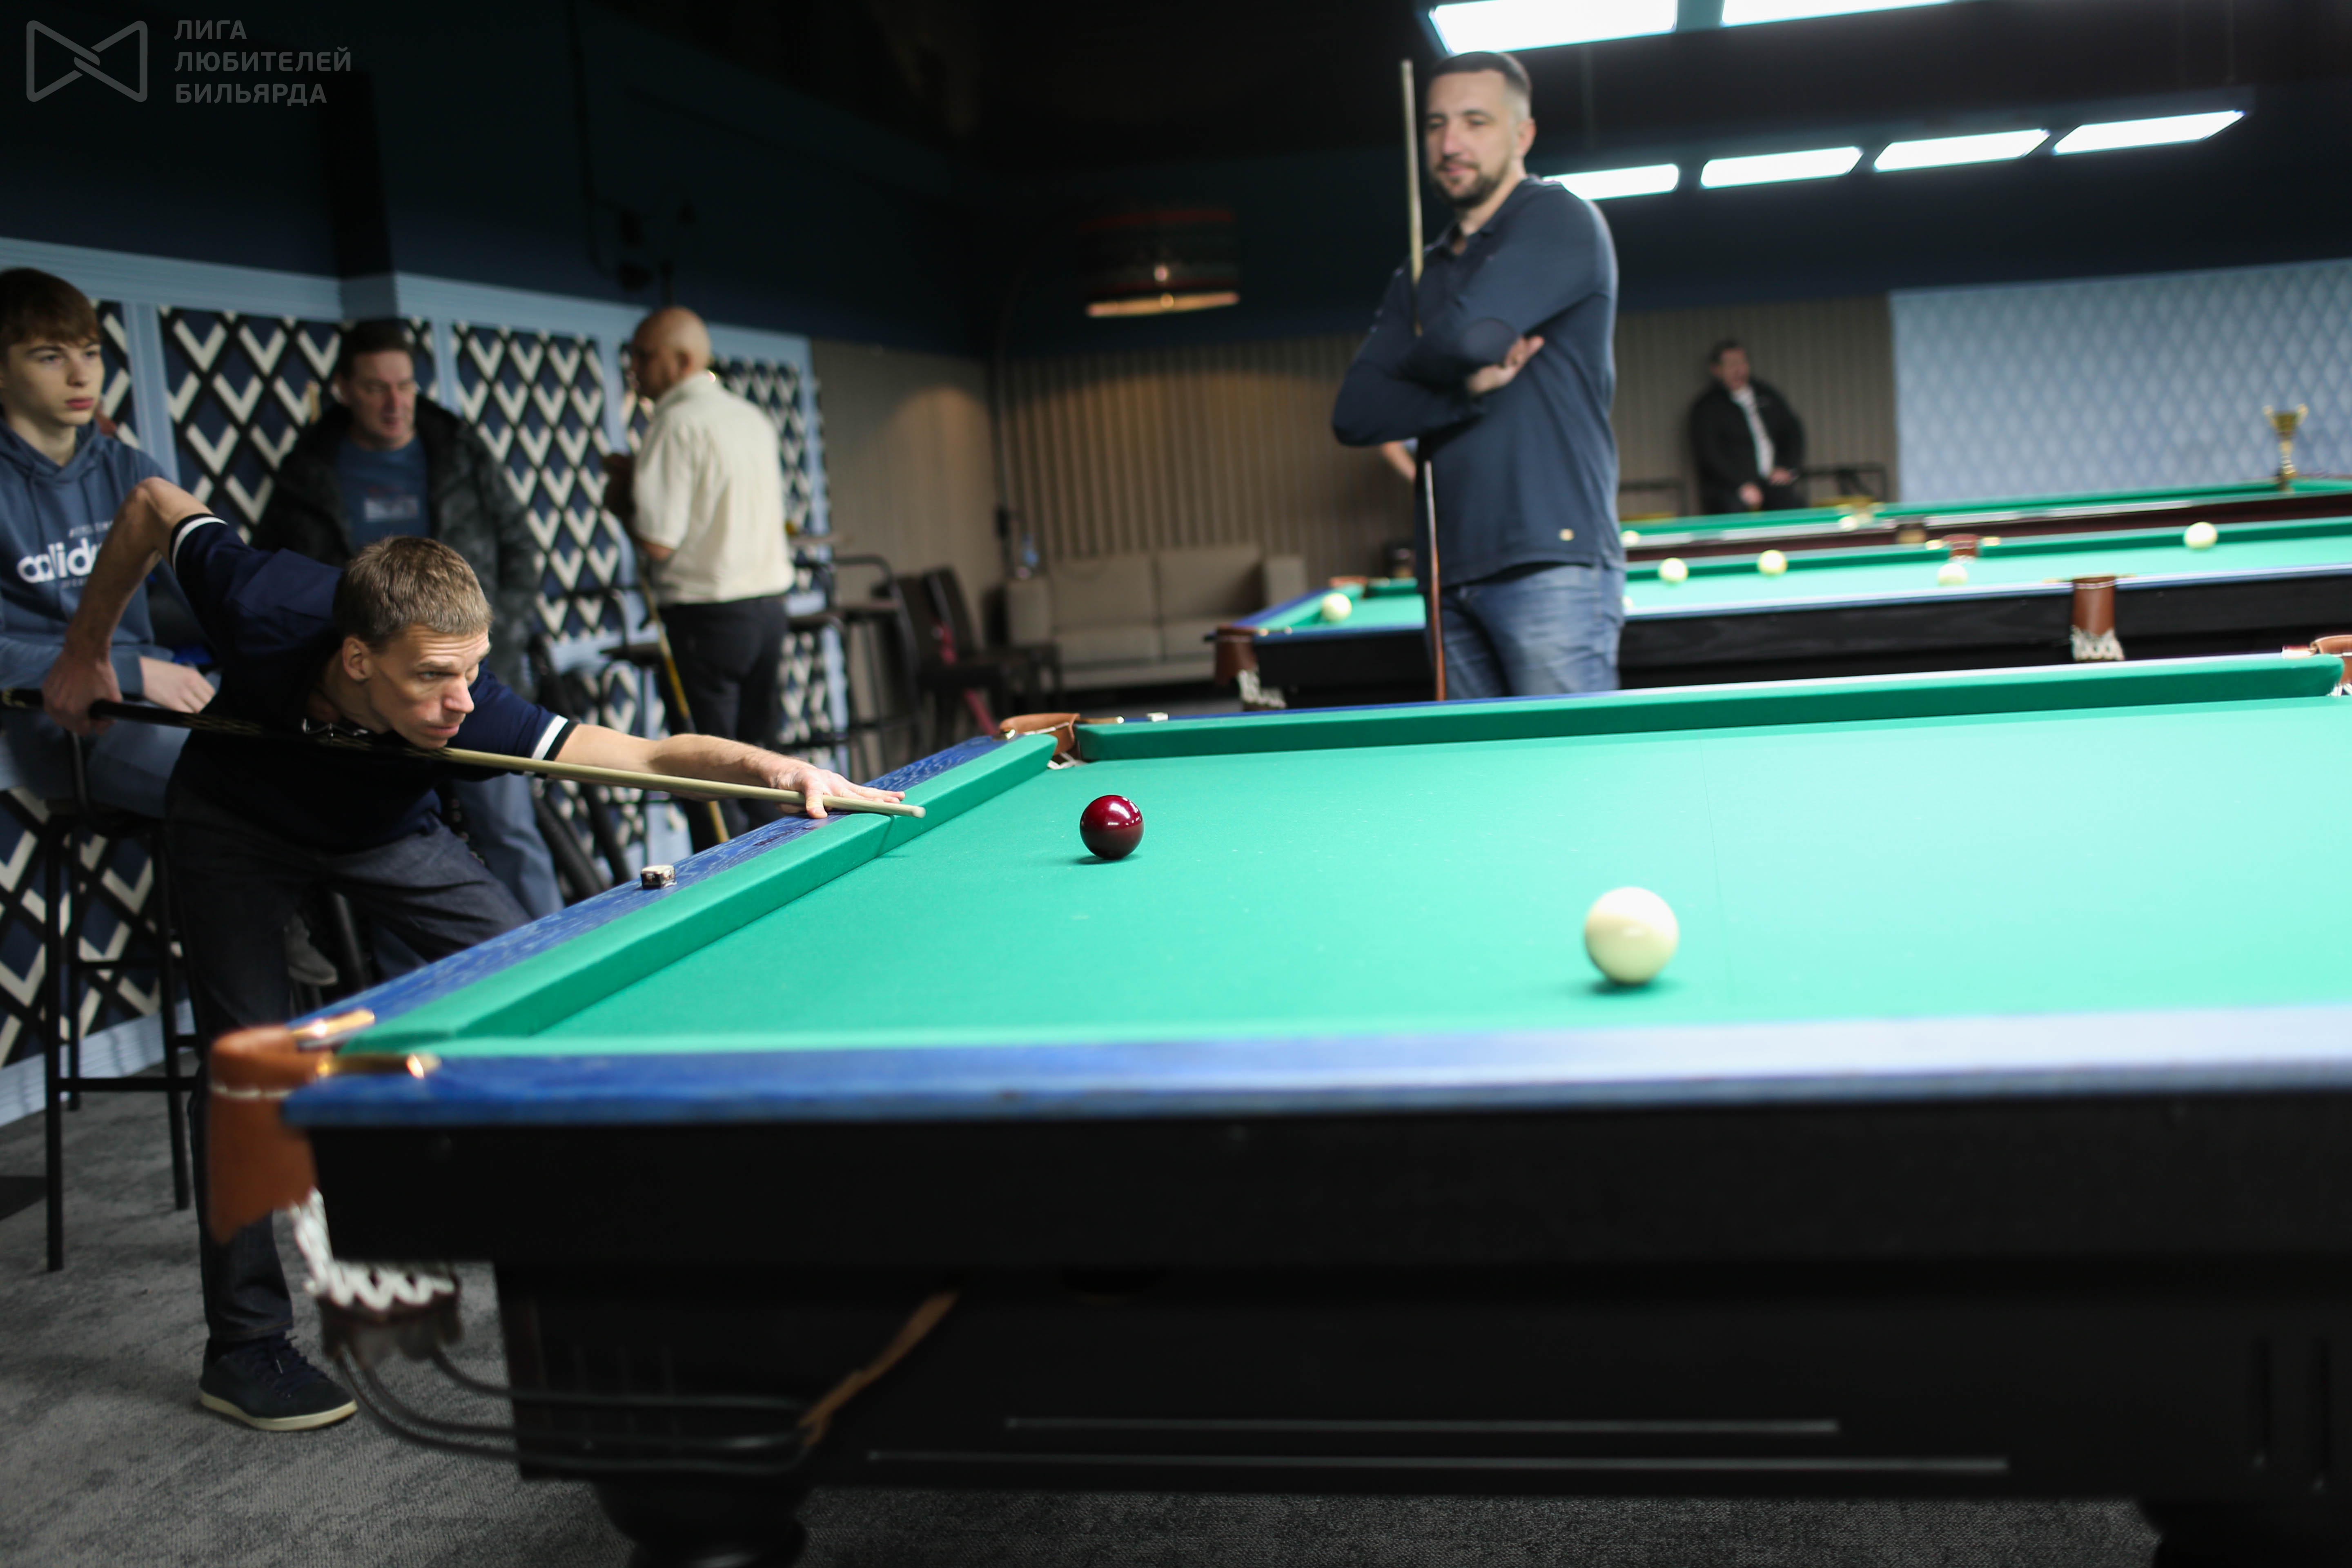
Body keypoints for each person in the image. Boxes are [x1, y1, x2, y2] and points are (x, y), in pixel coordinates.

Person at [42, 475, 896, 1432]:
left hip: (384, 828)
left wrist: (778, 768)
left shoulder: (470, 703)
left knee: (545, 987)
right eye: (431, 678)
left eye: (472, 672)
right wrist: (88, 650)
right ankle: (243, 1346)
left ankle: (635, 1254)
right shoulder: (261, 600)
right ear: (357, 657)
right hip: (236, 819)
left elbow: (651, 756)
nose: (460, 702)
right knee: (243, 1068)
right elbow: (151, 503)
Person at [1331, 50, 1623, 700]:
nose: (1450, 143)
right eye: (1436, 124)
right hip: (1448, 569)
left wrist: (1412, 373)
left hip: (1550, 559)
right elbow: (1355, 413)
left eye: (1475, 121)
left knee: (1567, 759)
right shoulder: (1421, 272)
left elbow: (1473, 336)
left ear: (1523, 135)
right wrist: (1462, 388)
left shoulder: (1559, 218)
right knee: (1475, 765)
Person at [254, 321, 561, 924]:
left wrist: (494, 639)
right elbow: (278, 574)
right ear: (344, 389)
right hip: (372, 697)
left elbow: (521, 550)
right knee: (391, 849)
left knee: (509, 829)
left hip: (474, 682)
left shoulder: (458, 448)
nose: (395, 403)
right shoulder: (310, 469)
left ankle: (561, 953)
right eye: (376, 388)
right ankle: (420, 977)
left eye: (404, 386)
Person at [0, 268, 211, 812]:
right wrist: (134, 671)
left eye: (91, 354)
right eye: (50, 357)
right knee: (246, 795)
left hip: (166, 695)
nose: (81, 376)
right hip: (65, 723)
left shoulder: (129, 468)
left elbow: (213, 587)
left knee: (323, 764)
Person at [602, 307, 793, 852]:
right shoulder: (749, 417)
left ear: (682, 360)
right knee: (762, 754)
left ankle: (733, 880)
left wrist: (623, 499)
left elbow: (659, 541)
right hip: (769, 608)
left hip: (707, 616)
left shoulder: (673, 423)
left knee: (706, 767)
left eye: (645, 356)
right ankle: (787, 867)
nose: (634, 368)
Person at [1690, 340, 1806, 515]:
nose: (1738, 370)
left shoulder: (1767, 395)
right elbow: (1710, 454)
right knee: (1732, 509)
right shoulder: (1707, 407)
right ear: (1717, 370)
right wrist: (1740, 484)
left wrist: (1787, 468)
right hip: (1731, 486)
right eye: (1731, 364)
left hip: (1771, 481)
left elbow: (1793, 432)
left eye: (1742, 363)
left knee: (1793, 505)